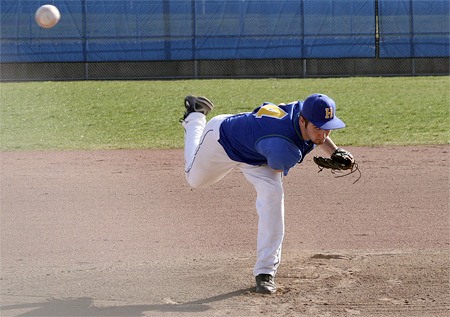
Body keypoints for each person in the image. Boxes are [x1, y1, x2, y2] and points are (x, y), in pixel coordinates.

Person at [180, 93, 354, 294]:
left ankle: (265, 271)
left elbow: (313, 135)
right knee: (194, 179)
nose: (323, 135)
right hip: (222, 141)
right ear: (302, 120)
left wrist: (334, 151)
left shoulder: (304, 112)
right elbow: (280, 161)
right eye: (317, 128)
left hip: (259, 149)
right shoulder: (282, 147)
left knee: (273, 197)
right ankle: (195, 117)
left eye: (327, 128)